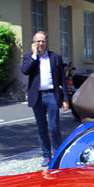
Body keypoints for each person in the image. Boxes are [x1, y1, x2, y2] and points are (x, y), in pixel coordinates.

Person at [21, 31, 69, 167]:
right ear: (34, 43)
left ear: (47, 42)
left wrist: (65, 98)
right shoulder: (29, 58)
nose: (40, 44)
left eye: (42, 41)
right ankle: (46, 155)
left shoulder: (55, 58)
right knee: (42, 128)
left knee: (54, 127)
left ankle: (58, 155)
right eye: (37, 41)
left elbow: (62, 79)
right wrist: (34, 56)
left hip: (51, 95)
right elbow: (25, 71)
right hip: (37, 97)